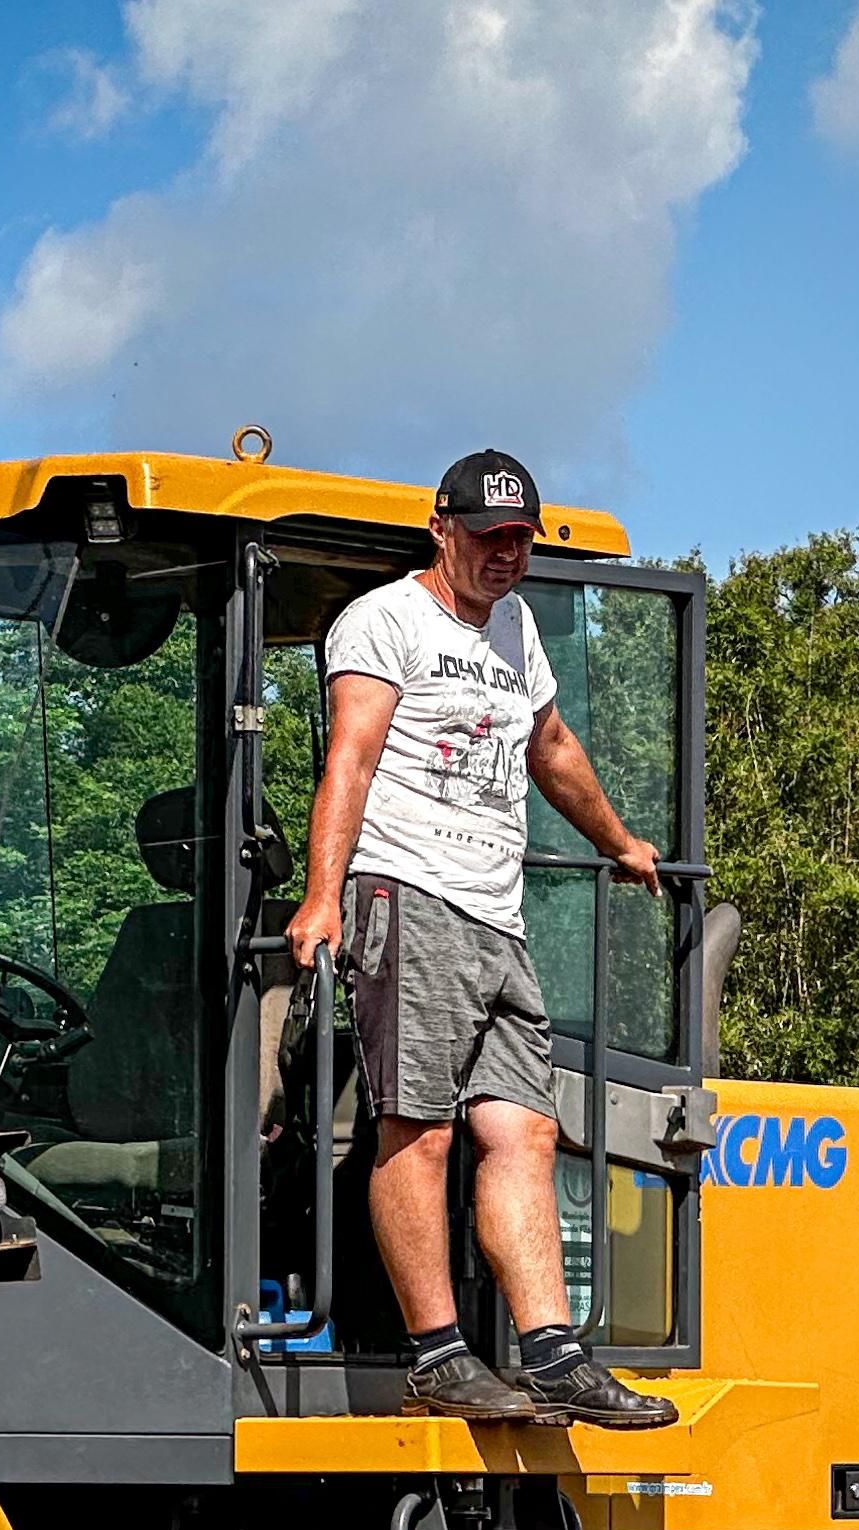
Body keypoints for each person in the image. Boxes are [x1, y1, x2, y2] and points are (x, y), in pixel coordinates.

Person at [286, 450, 676, 1428]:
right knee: (418, 1128)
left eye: (519, 541)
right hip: (408, 896)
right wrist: (322, 897)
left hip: (497, 916)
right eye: (490, 538)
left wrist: (619, 841)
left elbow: (551, 747)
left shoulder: (515, 627)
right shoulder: (384, 620)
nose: (507, 556)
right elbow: (351, 760)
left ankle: (552, 1354)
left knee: (526, 1129)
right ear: (442, 529)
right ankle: (438, 1355)